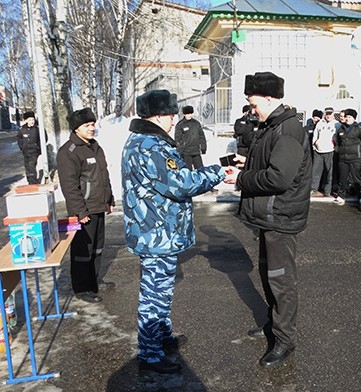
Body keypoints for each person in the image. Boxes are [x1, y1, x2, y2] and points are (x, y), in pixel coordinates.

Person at [121, 89, 225, 374]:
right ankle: (149, 353)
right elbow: (180, 183)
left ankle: (161, 338)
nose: (173, 119)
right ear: (157, 115)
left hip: (154, 231)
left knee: (161, 291)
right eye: (170, 114)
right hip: (157, 234)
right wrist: (219, 172)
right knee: (155, 294)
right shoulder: (152, 145)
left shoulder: (142, 141)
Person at [223, 71, 312, 368]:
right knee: (268, 275)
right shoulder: (272, 125)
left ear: (271, 98)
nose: (252, 109)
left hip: (280, 216)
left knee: (281, 280)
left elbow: (279, 177)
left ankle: (285, 340)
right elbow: (273, 162)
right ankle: (275, 324)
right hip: (269, 216)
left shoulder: (287, 129)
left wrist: (241, 179)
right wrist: (246, 163)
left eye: (254, 103)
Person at [56, 108, 115, 304]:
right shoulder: (68, 152)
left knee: (97, 248)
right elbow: (70, 186)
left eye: (93, 124)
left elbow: (103, 175)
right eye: (87, 125)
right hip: (84, 210)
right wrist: (80, 211)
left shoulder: (95, 146)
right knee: (83, 250)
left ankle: (94, 281)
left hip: (98, 205)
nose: (92, 128)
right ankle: (82, 288)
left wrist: (109, 199)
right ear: (76, 129)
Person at [334, 108, 361, 206]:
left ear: (354, 118)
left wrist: (359, 152)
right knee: (342, 178)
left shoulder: (360, 129)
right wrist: (339, 150)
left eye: (350, 117)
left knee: (357, 178)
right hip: (343, 157)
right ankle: (341, 196)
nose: (347, 119)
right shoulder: (341, 128)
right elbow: (338, 141)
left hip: (355, 158)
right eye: (346, 117)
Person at [311, 107, 339, 197]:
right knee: (316, 171)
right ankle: (313, 189)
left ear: (333, 114)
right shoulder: (320, 123)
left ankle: (327, 190)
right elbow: (315, 135)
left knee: (329, 172)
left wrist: (334, 146)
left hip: (330, 151)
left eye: (330, 114)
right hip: (318, 151)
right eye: (327, 114)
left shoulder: (336, 124)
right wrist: (314, 144)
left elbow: (338, 138)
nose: (328, 116)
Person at [174, 105, 206, 170]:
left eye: (191, 113)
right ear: (184, 114)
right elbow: (178, 139)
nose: (189, 115)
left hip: (196, 152)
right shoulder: (180, 125)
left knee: (201, 170)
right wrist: (180, 150)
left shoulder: (196, 123)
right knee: (187, 171)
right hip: (186, 153)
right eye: (188, 114)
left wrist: (203, 147)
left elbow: (201, 136)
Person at [17, 111, 45, 184]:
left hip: (34, 151)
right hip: (26, 151)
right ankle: (29, 180)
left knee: (31, 165)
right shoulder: (22, 129)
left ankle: (33, 181)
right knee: (27, 166)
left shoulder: (37, 129)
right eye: (30, 120)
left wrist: (38, 147)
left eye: (33, 120)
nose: (32, 122)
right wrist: (22, 147)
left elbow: (44, 138)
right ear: (26, 120)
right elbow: (19, 139)